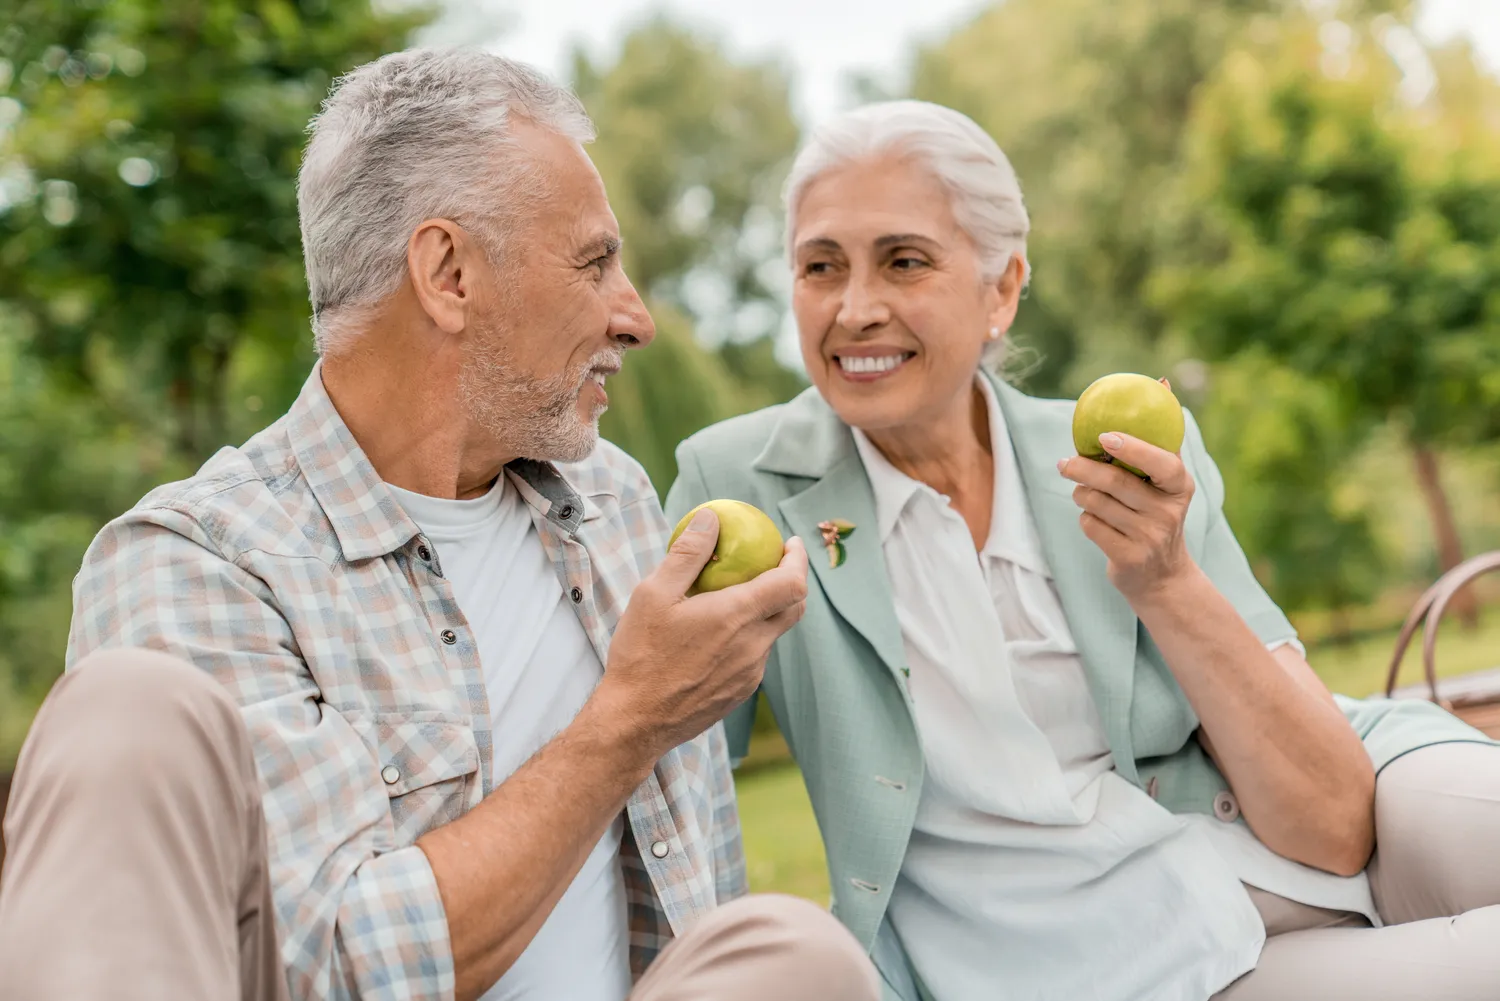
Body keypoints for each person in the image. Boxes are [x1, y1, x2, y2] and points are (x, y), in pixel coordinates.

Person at [0, 49, 881, 1001]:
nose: (636, 318)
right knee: (127, 702)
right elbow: (331, 965)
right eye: (594, 264)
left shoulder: (614, 503)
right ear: (448, 272)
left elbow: (696, 900)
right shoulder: (194, 564)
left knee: (796, 956)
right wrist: (630, 718)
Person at [664, 99, 1500, 1001]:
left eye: (904, 261)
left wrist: (1165, 579)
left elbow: (1333, 823)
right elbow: (665, 760)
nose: (855, 309)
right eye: (820, 266)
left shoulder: (1116, 455)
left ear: (1002, 287)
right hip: (1099, 956)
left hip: (1261, 854)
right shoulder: (738, 483)